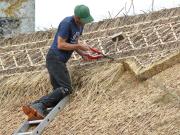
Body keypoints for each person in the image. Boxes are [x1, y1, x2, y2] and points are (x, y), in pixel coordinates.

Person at [22, 4, 94, 120]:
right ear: (76, 16)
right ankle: (38, 104)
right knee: (66, 88)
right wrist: (80, 45)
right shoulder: (67, 23)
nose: (83, 23)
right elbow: (61, 44)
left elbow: (73, 42)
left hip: (58, 60)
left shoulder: (80, 25)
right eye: (82, 20)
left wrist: (83, 54)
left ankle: (37, 109)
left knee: (58, 93)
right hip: (55, 58)